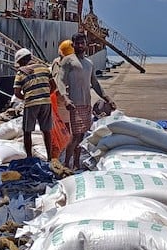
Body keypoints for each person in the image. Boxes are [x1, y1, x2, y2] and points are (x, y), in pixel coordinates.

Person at [52, 32, 114, 168]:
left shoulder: (89, 63)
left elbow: (95, 83)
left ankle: (76, 164)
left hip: (86, 104)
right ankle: (66, 164)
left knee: (81, 137)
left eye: (82, 43)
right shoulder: (68, 61)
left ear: (86, 44)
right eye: (77, 43)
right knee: (74, 136)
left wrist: (107, 98)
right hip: (74, 104)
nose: (80, 45)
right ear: (73, 45)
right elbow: (60, 81)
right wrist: (66, 98)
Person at [13, 48, 54, 159]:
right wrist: (45, 94)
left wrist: (26, 97)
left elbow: (16, 93)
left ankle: (29, 158)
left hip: (31, 103)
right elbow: (53, 85)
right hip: (46, 102)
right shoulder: (44, 68)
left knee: (27, 131)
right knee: (46, 131)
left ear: (21, 61)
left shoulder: (21, 73)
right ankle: (49, 157)